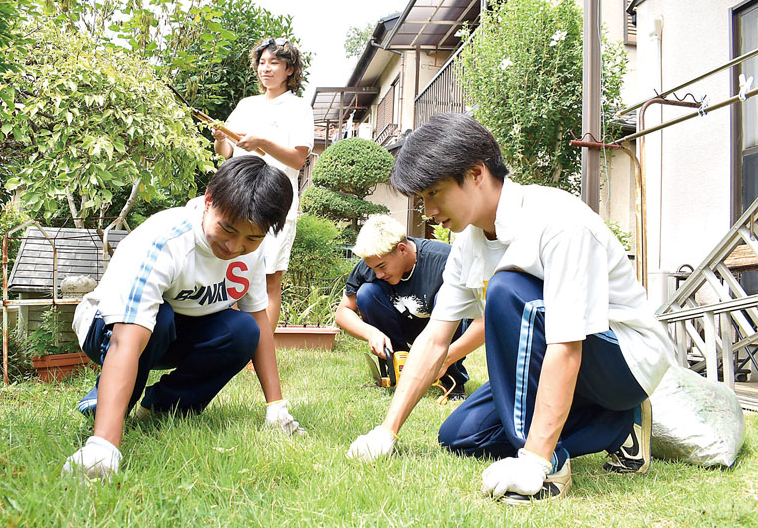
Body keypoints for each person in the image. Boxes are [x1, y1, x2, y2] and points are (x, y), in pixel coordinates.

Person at [346, 113, 675, 504]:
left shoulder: (558, 222)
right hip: (567, 362)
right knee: (462, 436)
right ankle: (618, 425)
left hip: (623, 362)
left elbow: (567, 344)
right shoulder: (467, 244)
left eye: (434, 193)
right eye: (422, 198)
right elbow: (434, 339)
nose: (428, 210)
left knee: (506, 289)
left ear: (476, 173)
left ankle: (548, 463)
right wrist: (387, 431)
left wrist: (534, 460)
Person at [63, 156, 306, 481]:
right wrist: (103, 446)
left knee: (243, 330)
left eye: (252, 238)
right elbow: (126, 339)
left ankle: (161, 408)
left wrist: (276, 406)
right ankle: (108, 408)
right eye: (227, 229)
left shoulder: (252, 249)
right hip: (108, 326)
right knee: (159, 317)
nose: (234, 246)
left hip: (178, 328)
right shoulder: (166, 241)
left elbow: (259, 319)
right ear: (209, 200)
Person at [211, 37, 314, 332]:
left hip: (276, 201)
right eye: (262, 63)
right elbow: (226, 152)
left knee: (270, 279)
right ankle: (231, 342)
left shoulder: (299, 108)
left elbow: (298, 159)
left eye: (274, 63)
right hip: (237, 197)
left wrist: (262, 142)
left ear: (290, 69)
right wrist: (220, 138)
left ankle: (261, 349)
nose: (265, 68)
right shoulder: (246, 105)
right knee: (230, 271)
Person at [335, 214, 483, 399]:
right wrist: (370, 333)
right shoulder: (372, 265)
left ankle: (451, 377)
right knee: (366, 293)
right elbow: (343, 312)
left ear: (402, 249)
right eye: (373, 269)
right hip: (404, 325)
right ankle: (399, 369)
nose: (378, 274)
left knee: (448, 297)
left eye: (382, 267)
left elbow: (485, 318)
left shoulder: (445, 259)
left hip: (444, 324)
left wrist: (447, 357)